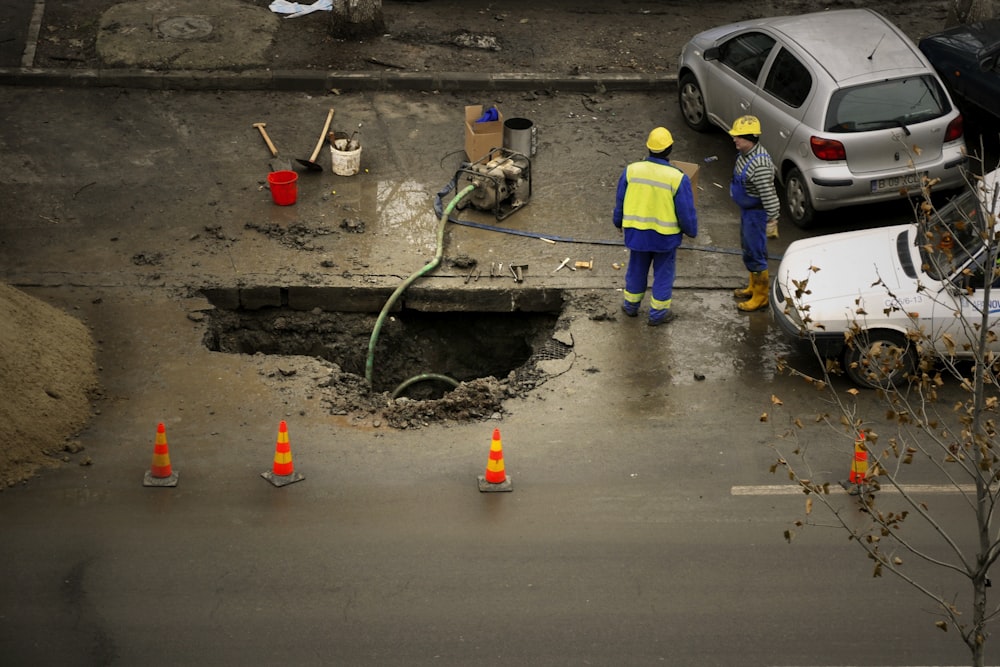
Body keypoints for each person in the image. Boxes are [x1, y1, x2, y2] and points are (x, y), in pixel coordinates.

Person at [613, 127, 698, 326]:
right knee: (663, 274)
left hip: (637, 234)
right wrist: (691, 231)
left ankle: (631, 306)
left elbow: (620, 200)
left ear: (648, 148)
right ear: (670, 149)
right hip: (665, 237)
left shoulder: (632, 170)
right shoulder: (677, 177)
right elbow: (686, 211)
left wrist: (618, 222)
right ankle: (658, 315)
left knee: (636, 269)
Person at [728, 115, 780, 312]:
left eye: (738, 136)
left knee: (756, 253)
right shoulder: (744, 154)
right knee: (748, 249)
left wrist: (772, 220)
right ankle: (752, 286)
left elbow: (769, 194)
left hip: (757, 216)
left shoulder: (760, 165)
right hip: (747, 212)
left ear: (749, 138)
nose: (734, 139)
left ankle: (761, 296)